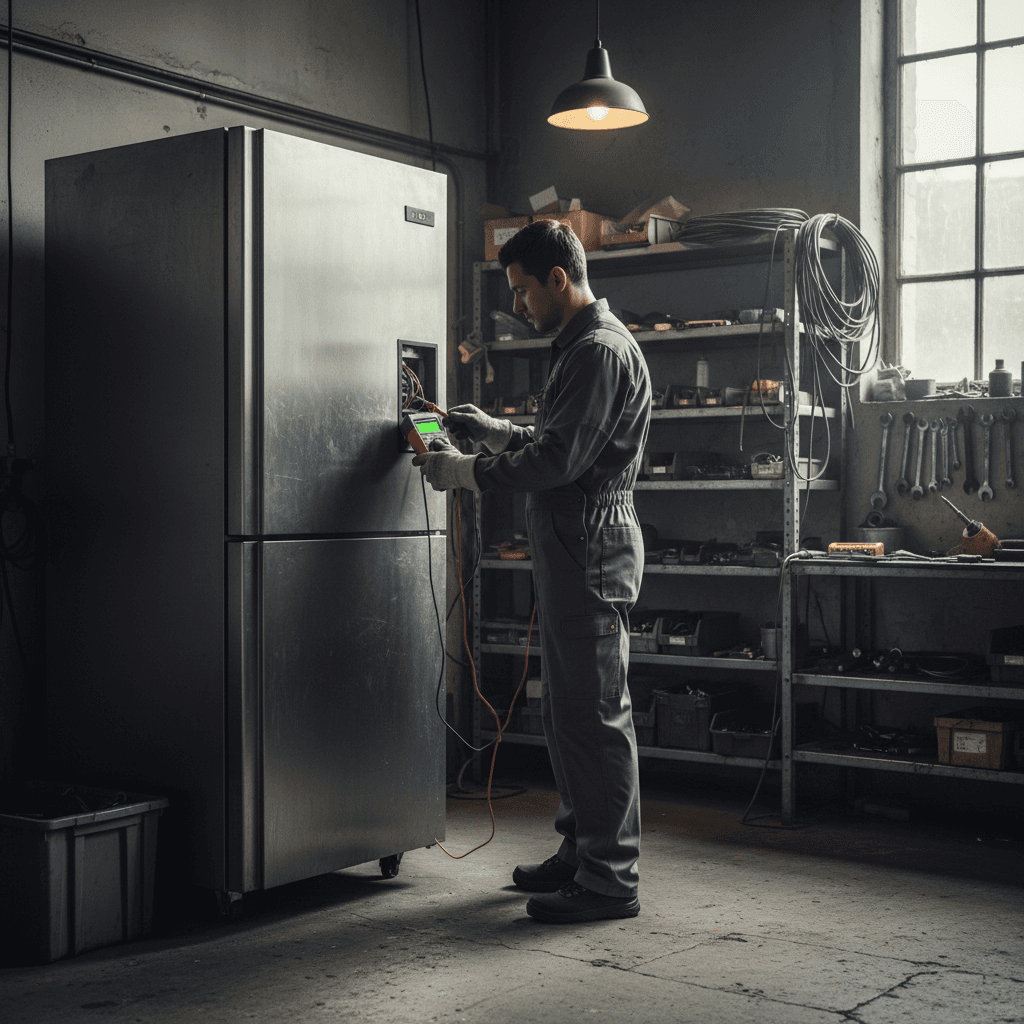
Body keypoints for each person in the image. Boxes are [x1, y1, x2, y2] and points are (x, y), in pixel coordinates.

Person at [413, 219, 651, 924]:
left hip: (590, 547)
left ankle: (610, 879)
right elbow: (559, 440)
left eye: (522, 291)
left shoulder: (597, 351)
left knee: (595, 716)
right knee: (569, 714)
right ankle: (582, 851)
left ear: (559, 278)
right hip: (574, 546)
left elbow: (558, 462)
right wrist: (497, 432)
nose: (517, 305)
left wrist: (465, 471)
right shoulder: (579, 346)